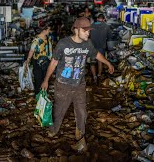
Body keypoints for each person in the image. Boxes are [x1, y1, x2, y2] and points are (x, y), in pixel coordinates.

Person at [40, 17, 114, 151]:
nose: (88, 34)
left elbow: (96, 54)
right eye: (85, 31)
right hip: (63, 85)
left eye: (89, 31)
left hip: (80, 85)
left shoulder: (88, 44)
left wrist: (107, 63)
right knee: (58, 111)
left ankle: (80, 138)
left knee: (82, 113)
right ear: (77, 30)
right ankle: (54, 130)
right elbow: (54, 62)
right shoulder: (63, 44)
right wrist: (45, 80)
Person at [25, 22, 53, 95]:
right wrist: (28, 60)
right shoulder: (36, 40)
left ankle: (44, 96)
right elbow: (32, 50)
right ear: (44, 30)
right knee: (38, 79)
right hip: (37, 62)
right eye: (48, 30)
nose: (49, 31)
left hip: (46, 61)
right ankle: (38, 96)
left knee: (46, 79)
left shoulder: (47, 38)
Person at [90, 13, 113, 83]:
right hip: (101, 47)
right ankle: (99, 75)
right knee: (100, 61)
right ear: (103, 19)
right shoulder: (106, 26)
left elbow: (87, 35)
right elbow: (110, 37)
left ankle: (94, 77)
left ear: (97, 19)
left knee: (92, 62)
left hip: (92, 46)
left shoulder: (91, 25)